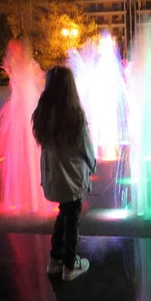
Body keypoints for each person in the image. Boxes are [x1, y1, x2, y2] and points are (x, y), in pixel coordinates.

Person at [32, 66, 96, 281]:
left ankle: (54, 258)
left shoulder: (42, 114)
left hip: (53, 175)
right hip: (72, 175)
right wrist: (93, 165)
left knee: (65, 211)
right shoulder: (74, 116)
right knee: (72, 217)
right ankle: (70, 264)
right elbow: (85, 148)